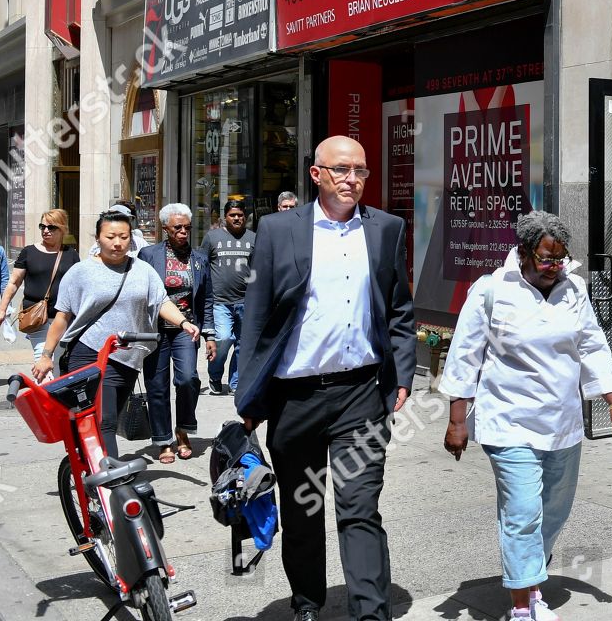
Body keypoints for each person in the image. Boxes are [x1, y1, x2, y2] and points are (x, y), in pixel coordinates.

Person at [236, 136, 416, 621]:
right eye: (340, 169)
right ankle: (308, 601)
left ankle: (370, 613)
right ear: (316, 174)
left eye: (360, 170)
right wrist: (248, 391)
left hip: (361, 394)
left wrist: (403, 369)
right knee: (303, 510)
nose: (351, 179)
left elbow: (398, 307)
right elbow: (256, 313)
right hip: (294, 397)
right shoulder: (277, 229)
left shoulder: (387, 228)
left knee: (359, 509)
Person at [441, 211, 612, 621]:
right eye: (547, 259)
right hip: (508, 421)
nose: (554, 267)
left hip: (562, 424)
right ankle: (524, 605)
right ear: (524, 252)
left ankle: (529, 576)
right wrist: (457, 421)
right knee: (523, 511)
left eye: (561, 258)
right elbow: (464, 355)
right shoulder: (492, 290)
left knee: (553, 510)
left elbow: (592, 346)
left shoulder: (574, 289)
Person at [30, 211, 201, 458]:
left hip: (128, 358)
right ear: (98, 238)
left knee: (105, 418)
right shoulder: (81, 271)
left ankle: (87, 464)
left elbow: (161, 302)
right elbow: (62, 317)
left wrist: (184, 322)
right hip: (89, 353)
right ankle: (112, 478)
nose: (117, 242)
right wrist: (46, 355)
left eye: (123, 236)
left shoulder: (142, 270)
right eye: (111, 236)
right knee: (106, 421)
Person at [140, 203, 213, 464]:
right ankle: (163, 440)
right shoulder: (148, 255)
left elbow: (206, 298)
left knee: (187, 379)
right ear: (165, 229)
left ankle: (183, 429)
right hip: (154, 332)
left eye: (187, 227)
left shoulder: (200, 257)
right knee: (157, 387)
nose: (183, 232)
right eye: (177, 227)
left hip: (186, 330)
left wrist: (210, 335)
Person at [1, 210, 81, 360]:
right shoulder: (29, 252)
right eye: (42, 226)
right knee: (42, 358)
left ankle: (51, 383)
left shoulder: (71, 255)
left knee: (57, 361)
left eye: (51, 227)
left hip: (63, 317)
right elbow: (13, 282)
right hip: (37, 318)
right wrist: (2, 309)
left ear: (62, 228)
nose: (45, 231)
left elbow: (80, 286)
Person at [204, 200, 256, 394]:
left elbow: (257, 268)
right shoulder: (212, 237)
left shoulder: (253, 238)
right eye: (233, 215)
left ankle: (235, 383)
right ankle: (215, 375)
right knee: (224, 339)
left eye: (240, 215)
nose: (237, 218)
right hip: (219, 302)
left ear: (245, 217)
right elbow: (203, 266)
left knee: (243, 345)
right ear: (225, 217)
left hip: (247, 302)